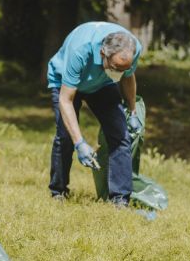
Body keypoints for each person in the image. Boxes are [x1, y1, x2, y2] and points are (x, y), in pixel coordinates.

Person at [46, 21, 143, 206]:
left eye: (123, 69)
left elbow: (128, 77)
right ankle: (58, 192)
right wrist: (79, 143)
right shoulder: (81, 50)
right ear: (102, 54)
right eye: (116, 68)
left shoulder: (133, 48)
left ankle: (120, 200)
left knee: (121, 134)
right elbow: (65, 100)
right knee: (65, 137)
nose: (119, 74)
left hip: (102, 83)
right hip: (65, 82)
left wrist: (133, 111)